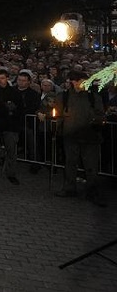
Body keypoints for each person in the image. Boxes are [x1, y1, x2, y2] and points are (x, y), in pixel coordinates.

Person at [50, 70, 107, 206]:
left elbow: (101, 114)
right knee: (70, 163)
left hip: (90, 136)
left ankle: (92, 192)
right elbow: (56, 112)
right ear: (73, 82)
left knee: (91, 166)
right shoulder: (63, 96)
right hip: (70, 135)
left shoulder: (93, 97)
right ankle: (69, 188)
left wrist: (95, 119)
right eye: (81, 81)